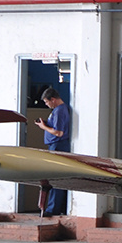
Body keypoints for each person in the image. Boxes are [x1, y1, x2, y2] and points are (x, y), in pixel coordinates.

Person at [35, 87, 70, 216]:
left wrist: (43, 127)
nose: (46, 104)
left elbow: (58, 132)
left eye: (46, 102)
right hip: (56, 145)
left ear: (53, 99)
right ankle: (55, 207)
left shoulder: (59, 111)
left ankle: (52, 209)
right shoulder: (59, 110)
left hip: (57, 145)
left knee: (55, 178)